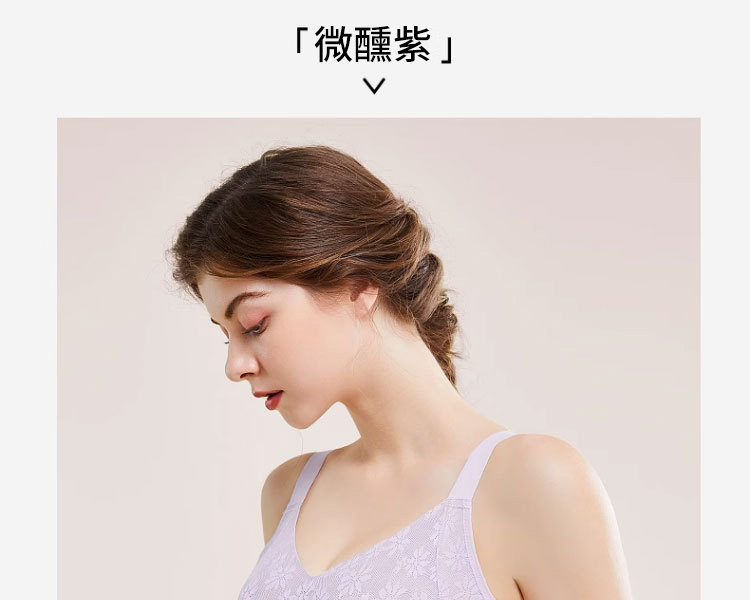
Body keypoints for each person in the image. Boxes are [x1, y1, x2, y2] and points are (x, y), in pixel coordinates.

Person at [167, 145, 633, 599]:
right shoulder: (288, 493)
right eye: (225, 336)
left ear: (357, 283)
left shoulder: (534, 481)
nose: (235, 366)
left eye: (254, 324)